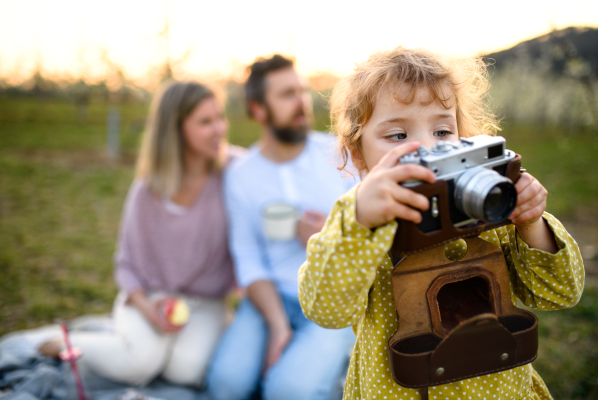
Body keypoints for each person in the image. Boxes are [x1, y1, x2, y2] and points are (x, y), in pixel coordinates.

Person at [298, 47, 585, 400]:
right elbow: (325, 309)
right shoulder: (362, 227)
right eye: (398, 136)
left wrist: (530, 223)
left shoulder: (487, 206)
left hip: (498, 389)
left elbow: (559, 293)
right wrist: (359, 221)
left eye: (442, 132)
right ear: (358, 153)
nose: (425, 150)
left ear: (463, 137)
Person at [40, 81, 240, 388]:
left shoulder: (236, 170)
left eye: (220, 117)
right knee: (140, 364)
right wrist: (147, 308)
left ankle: (134, 343)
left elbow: (275, 171)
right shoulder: (149, 189)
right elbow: (125, 263)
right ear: (176, 129)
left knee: (186, 371)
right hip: (149, 295)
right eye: (205, 122)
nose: (219, 129)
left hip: (207, 301)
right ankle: (65, 342)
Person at [206, 55, 356, 400]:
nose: (302, 101)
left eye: (302, 91)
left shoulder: (340, 156)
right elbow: (247, 259)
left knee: (286, 392)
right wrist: (276, 325)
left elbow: (376, 235)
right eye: (287, 94)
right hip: (268, 299)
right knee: (225, 385)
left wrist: (326, 238)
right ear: (258, 109)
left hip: (332, 298)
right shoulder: (241, 176)